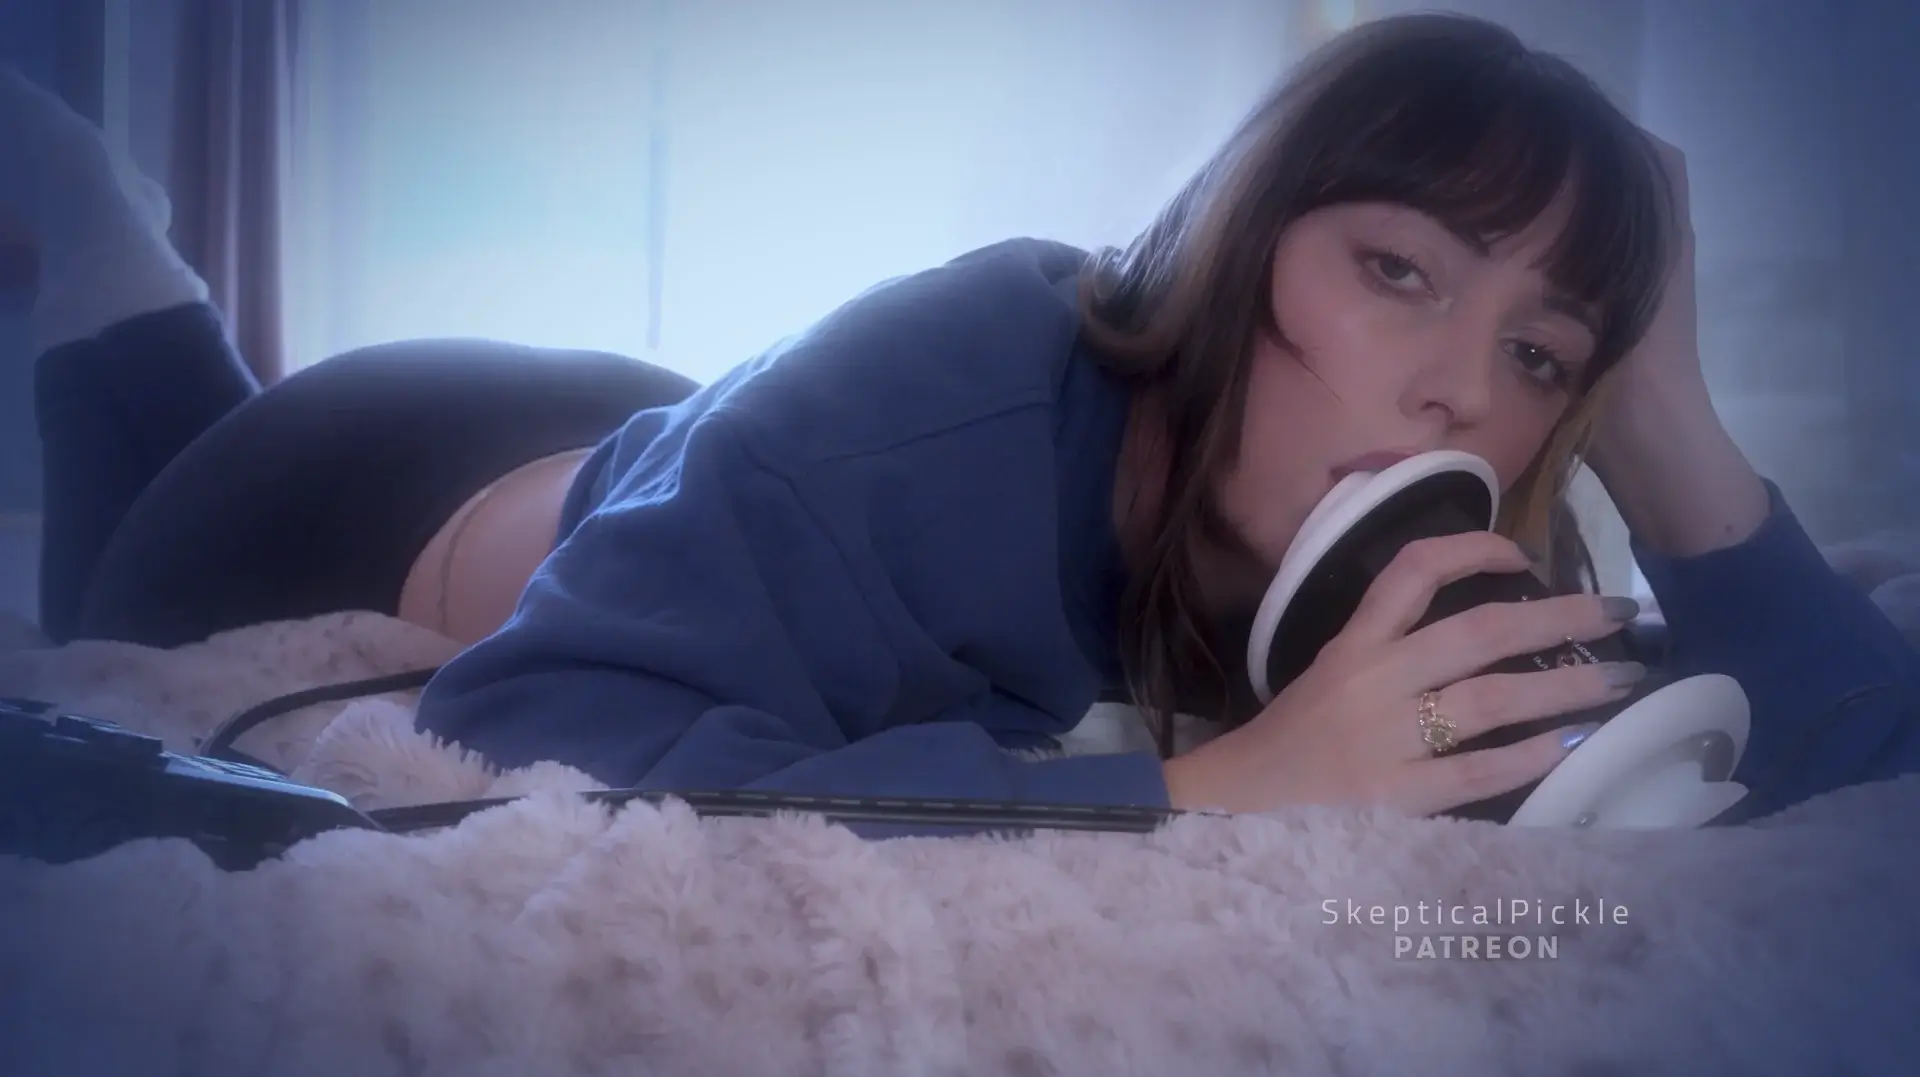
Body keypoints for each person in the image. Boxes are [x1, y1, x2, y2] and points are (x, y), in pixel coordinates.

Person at [7, 13, 1915, 826]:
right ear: (1245, 242)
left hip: (689, 449)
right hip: (361, 483)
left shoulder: (1419, 523)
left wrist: (1662, 405)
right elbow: (519, 729)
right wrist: (1215, 792)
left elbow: (1863, 774)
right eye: (1399, 268)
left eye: (1540, 353)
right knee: (122, 542)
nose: (1460, 390)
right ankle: (105, 245)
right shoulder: (964, 390)